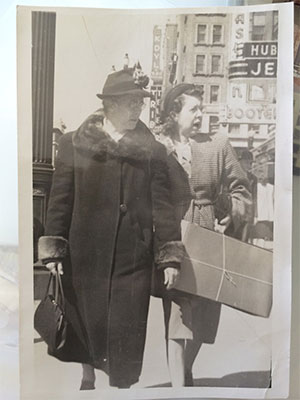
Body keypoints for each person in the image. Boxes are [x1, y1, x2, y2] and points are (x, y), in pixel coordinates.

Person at [38, 65, 185, 390]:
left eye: (140, 103)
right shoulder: (73, 144)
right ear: (111, 104)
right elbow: (61, 199)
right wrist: (54, 248)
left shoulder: (153, 152)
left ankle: (121, 388)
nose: (138, 109)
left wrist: (169, 257)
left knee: (125, 333)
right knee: (85, 323)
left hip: (133, 259)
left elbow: (162, 208)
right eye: (132, 102)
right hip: (84, 254)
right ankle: (87, 376)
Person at [155, 83, 252, 387]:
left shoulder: (217, 145)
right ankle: (178, 389)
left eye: (202, 108)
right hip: (174, 238)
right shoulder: (158, 148)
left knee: (204, 319)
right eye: (193, 108)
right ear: (175, 112)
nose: (200, 114)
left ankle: (185, 369)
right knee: (176, 317)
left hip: (210, 236)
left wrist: (232, 214)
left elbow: (241, 188)